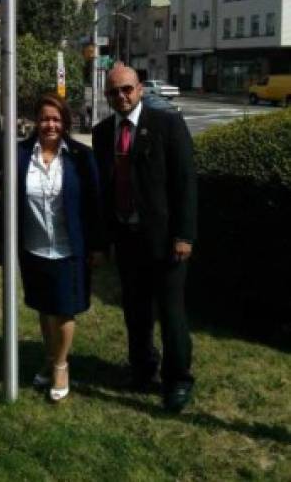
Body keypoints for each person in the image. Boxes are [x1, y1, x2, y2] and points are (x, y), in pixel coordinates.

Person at [92, 64, 197, 412]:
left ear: (140, 89)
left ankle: (178, 379)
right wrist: (104, 238)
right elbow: (104, 189)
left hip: (166, 240)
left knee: (171, 313)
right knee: (135, 310)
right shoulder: (102, 132)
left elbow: (185, 183)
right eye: (113, 92)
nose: (120, 96)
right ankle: (141, 367)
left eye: (126, 89)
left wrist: (184, 235)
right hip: (126, 237)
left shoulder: (167, 125)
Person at [17, 93, 105, 401]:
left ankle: (61, 366)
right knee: (44, 307)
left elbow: (95, 204)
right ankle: (49, 357)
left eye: (56, 119)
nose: (49, 124)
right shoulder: (19, 154)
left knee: (64, 310)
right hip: (34, 246)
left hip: (70, 248)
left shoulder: (80, 156)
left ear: (65, 122)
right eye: (44, 118)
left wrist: (97, 245)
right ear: (35, 122)